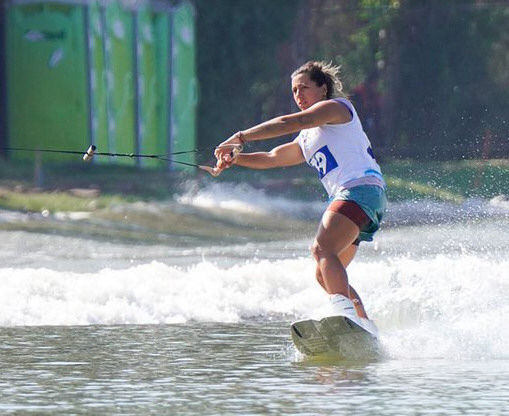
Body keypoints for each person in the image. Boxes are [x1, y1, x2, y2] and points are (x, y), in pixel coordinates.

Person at [214, 61, 387, 334]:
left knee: (321, 250)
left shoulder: (338, 108)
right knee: (324, 272)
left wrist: (240, 137)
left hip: (359, 189)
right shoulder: (307, 138)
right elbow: (273, 158)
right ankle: (365, 325)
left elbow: (292, 121)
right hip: (363, 198)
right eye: (294, 91)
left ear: (323, 88)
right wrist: (236, 159)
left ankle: (346, 318)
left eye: (305, 87)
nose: (299, 95)